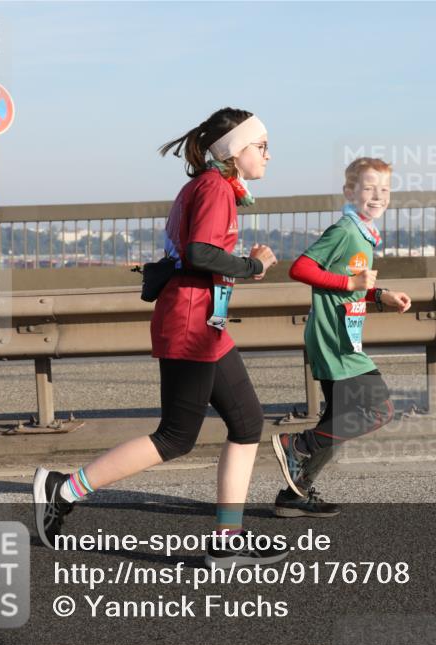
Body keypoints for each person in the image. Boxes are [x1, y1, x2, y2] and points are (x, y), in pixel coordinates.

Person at [33, 107, 287, 567]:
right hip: (192, 325)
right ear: (234, 151)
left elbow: (197, 253)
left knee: (247, 422)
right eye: (262, 145)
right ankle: (63, 489)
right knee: (174, 437)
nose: (269, 154)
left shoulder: (204, 186)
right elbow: (200, 252)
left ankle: (228, 538)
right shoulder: (213, 188)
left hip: (204, 323)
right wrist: (253, 266)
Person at [271, 157, 412, 514]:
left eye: (385, 190)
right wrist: (353, 283)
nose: (377, 196)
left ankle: (294, 495)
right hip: (333, 338)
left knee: (339, 420)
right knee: (378, 410)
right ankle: (298, 444)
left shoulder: (363, 233)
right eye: (368, 188)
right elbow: (301, 268)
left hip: (342, 337)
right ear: (349, 192)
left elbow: (349, 286)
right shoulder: (345, 231)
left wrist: (380, 296)